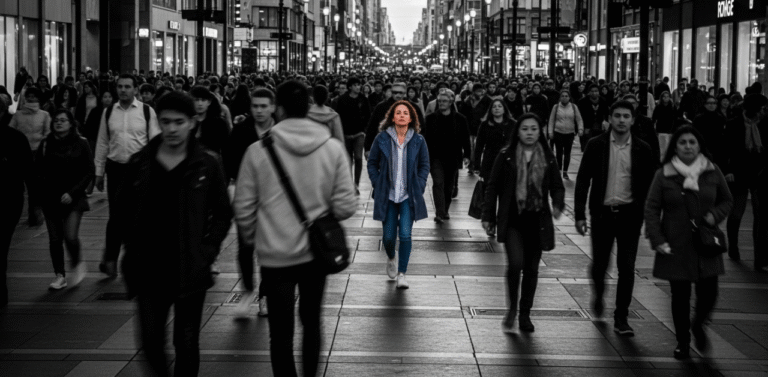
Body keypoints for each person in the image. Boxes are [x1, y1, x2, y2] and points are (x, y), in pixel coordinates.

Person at [233, 80, 356, 377]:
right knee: (311, 322)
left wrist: (252, 237)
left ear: (279, 109)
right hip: (316, 254)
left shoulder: (257, 151)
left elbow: (243, 207)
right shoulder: (332, 148)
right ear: (309, 108)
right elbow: (345, 206)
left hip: (275, 254)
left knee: (280, 332)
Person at [119, 91, 232, 377]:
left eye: (179, 122)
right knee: (150, 342)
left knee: (186, 342)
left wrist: (208, 249)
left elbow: (222, 212)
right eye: (166, 121)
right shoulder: (140, 163)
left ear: (192, 122)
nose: (171, 129)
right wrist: (124, 249)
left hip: (190, 266)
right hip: (148, 267)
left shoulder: (207, 163)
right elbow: (123, 210)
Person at [644, 126, 733, 359]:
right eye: (682, 142)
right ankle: (682, 341)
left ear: (699, 145)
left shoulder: (712, 171)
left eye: (692, 142)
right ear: (675, 147)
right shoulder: (664, 174)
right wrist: (657, 239)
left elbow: (727, 200)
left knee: (709, 293)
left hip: (706, 243)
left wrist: (714, 215)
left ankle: (698, 325)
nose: (687, 146)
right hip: (676, 243)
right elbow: (651, 208)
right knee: (680, 296)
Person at [574, 100, 656, 336]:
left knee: (627, 268)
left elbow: (650, 186)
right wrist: (579, 214)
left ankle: (622, 317)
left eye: (626, 116)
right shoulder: (596, 145)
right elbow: (583, 179)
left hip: (630, 215)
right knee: (600, 265)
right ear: (610, 118)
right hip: (603, 215)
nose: (621, 120)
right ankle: (599, 294)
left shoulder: (642, 149)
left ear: (633, 120)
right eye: (617, 115)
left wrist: (649, 217)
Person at [483, 113, 565, 333]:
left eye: (534, 129)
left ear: (540, 132)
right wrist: (488, 216)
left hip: (537, 221)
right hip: (513, 220)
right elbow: (492, 186)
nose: (529, 133)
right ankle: (512, 307)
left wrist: (558, 203)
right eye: (525, 129)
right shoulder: (506, 155)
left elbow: (557, 185)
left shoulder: (547, 157)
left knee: (531, 269)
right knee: (515, 264)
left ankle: (525, 313)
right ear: (518, 132)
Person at [94, 74, 160, 277]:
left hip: (140, 170)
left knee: (139, 215)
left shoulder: (146, 111)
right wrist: (98, 171)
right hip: (116, 169)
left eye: (127, 86)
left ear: (135, 89)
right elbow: (102, 142)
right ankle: (111, 259)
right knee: (115, 216)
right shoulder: (108, 112)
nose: (123, 90)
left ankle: (138, 257)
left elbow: (155, 142)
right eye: (120, 86)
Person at [224, 88, 277, 318]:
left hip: (274, 197)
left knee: (269, 248)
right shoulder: (241, 130)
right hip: (247, 195)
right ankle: (247, 291)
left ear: (272, 107)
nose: (259, 111)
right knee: (246, 246)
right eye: (255, 106)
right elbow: (229, 159)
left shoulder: (281, 131)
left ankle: (265, 294)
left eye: (264, 106)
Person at [367, 100, 430, 289]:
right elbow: (372, 163)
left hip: (408, 195)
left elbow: (424, 165)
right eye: (398, 112)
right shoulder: (382, 138)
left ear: (411, 118)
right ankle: (391, 257)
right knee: (388, 237)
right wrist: (377, 183)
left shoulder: (418, 140)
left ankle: (402, 273)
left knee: (404, 234)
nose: (402, 115)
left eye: (405, 113)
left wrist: (420, 184)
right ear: (392, 117)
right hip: (388, 195)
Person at [37, 110, 94, 290]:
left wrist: (73, 192)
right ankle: (60, 275)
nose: (59, 123)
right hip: (50, 197)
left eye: (63, 120)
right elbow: (37, 170)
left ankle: (77, 262)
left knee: (70, 236)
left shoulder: (81, 143)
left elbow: (89, 171)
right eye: (56, 120)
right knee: (55, 240)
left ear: (71, 123)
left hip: (74, 197)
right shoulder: (45, 143)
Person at [721, 93, 767, 268]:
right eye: (762, 108)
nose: (764, 111)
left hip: (759, 175)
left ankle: (760, 257)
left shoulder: (764, 124)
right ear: (754, 109)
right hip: (738, 173)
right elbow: (725, 148)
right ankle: (733, 245)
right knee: (736, 214)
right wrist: (728, 170)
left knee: (761, 216)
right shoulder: (734, 124)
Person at [0, 105, 33, 307]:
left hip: (9, 199)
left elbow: (28, 171)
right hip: (11, 199)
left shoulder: (15, 138)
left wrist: (35, 206)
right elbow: (29, 171)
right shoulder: (17, 137)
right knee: (2, 245)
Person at [423, 90, 471, 224]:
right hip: (435, 157)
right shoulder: (430, 118)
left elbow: (465, 138)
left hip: (453, 157)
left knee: (449, 187)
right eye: (439, 101)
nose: (441, 103)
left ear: (451, 102)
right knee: (438, 183)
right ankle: (439, 212)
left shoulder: (460, 119)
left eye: (444, 101)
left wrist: (467, 155)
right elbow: (425, 139)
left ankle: (445, 210)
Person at [9, 87, 51, 226]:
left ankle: (34, 214)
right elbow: (11, 132)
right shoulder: (18, 115)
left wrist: (43, 148)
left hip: (38, 154)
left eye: (34, 96)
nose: (31, 99)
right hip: (20, 155)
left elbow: (48, 134)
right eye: (29, 96)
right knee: (18, 186)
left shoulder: (44, 115)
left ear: (38, 98)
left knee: (34, 186)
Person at [336, 77, 372, 195]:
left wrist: (364, 130)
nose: (358, 87)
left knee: (358, 158)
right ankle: (349, 184)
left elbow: (368, 115)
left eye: (358, 85)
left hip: (359, 134)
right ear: (350, 87)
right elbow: (338, 116)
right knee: (347, 160)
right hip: (346, 134)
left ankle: (356, 184)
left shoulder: (363, 99)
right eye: (355, 85)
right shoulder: (342, 99)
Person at [548, 89, 584, 180]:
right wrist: (550, 132)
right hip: (558, 132)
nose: (564, 98)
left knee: (567, 153)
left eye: (566, 96)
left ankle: (565, 171)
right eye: (562, 96)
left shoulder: (573, 107)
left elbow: (579, 119)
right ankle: (559, 169)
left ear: (569, 97)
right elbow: (551, 120)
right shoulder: (556, 107)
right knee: (559, 153)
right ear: (560, 97)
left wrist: (580, 129)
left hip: (569, 133)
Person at [364, 82, 408, 153]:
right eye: (395, 92)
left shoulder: (412, 107)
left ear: (404, 93)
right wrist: (368, 148)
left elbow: (419, 128)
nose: (398, 95)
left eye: (400, 92)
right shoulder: (381, 107)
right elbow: (372, 127)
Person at [460, 83, 492, 175]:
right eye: (477, 91)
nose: (480, 93)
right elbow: (463, 112)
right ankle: (471, 165)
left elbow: (490, 111)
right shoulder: (468, 100)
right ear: (473, 91)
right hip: (470, 127)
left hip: (482, 127)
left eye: (481, 91)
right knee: (471, 147)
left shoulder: (487, 100)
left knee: (478, 147)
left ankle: (477, 164)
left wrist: (486, 119)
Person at [190, 86, 229, 158]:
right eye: (196, 100)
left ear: (209, 102)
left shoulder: (219, 123)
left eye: (203, 100)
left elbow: (226, 148)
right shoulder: (187, 122)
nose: (200, 103)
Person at [692, 95, 727, 166]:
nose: (712, 105)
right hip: (703, 147)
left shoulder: (720, 118)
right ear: (705, 105)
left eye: (714, 103)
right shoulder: (699, 119)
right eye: (709, 103)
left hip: (718, 148)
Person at [577, 84, 610, 152]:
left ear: (599, 92)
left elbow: (607, 114)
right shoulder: (582, 102)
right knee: (587, 149)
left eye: (596, 91)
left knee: (599, 150)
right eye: (592, 91)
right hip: (587, 129)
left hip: (600, 129)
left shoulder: (603, 101)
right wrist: (582, 128)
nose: (594, 93)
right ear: (589, 92)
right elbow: (579, 117)